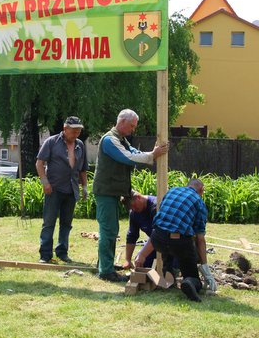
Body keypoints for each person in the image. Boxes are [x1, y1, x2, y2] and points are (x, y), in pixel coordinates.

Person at [92, 109, 169, 282]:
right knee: (108, 230)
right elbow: (128, 157)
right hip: (106, 192)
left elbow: (133, 152)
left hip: (112, 192)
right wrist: (152, 155)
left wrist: (151, 154)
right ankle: (105, 271)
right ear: (122, 122)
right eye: (132, 126)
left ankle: (105, 264)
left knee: (111, 229)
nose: (133, 129)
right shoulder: (110, 140)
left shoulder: (121, 139)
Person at [151, 179, 217, 302]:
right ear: (201, 190)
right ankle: (189, 281)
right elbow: (200, 239)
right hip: (179, 243)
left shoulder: (172, 191)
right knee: (190, 270)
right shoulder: (199, 202)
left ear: (188, 185)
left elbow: (165, 219)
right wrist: (205, 268)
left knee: (168, 245)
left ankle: (168, 276)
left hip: (157, 238)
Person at [35, 116, 89, 263]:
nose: (77, 134)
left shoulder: (80, 145)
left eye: (79, 131)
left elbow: (83, 169)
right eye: (74, 131)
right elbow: (39, 163)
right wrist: (45, 182)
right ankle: (45, 255)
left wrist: (84, 187)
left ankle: (62, 252)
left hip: (71, 190)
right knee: (49, 222)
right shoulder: (52, 142)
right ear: (65, 129)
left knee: (66, 223)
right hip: (54, 189)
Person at [121, 191, 179, 271]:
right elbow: (132, 236)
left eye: (134, 206)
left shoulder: (156, 206)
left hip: (172, 243)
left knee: (172, 268)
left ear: (138, 197)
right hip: (155, 244)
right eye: (131, 208)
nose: (133, 209)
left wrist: (142, 254)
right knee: (141, 263)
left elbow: (158, 234)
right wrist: (128, 259)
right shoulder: (134, 213)